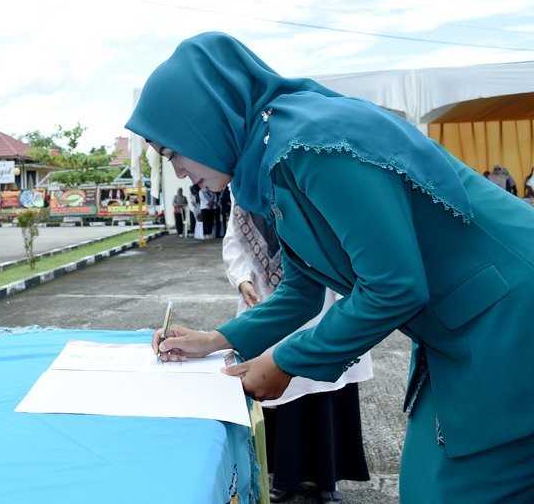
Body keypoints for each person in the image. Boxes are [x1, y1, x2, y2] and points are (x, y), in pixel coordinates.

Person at [130, 32, 534, 503]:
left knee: (460, 488)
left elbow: (394, 287)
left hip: (510, 318)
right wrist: (219, 340)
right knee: (429, 482)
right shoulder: (274, 162)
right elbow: (302, 290)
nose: (177, 171)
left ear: (201, 119)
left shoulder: (312, 143)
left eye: (170, 150)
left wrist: (285, 361)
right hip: (467, 327)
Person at [223, 203, 372, 503]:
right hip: (266, 298)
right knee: (277, 391)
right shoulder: (242, 189)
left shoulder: (299, 174)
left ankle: (327, 477)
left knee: (323, 387)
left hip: (322, 297)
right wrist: (242, 279)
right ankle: (285, 476)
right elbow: (235, 239)